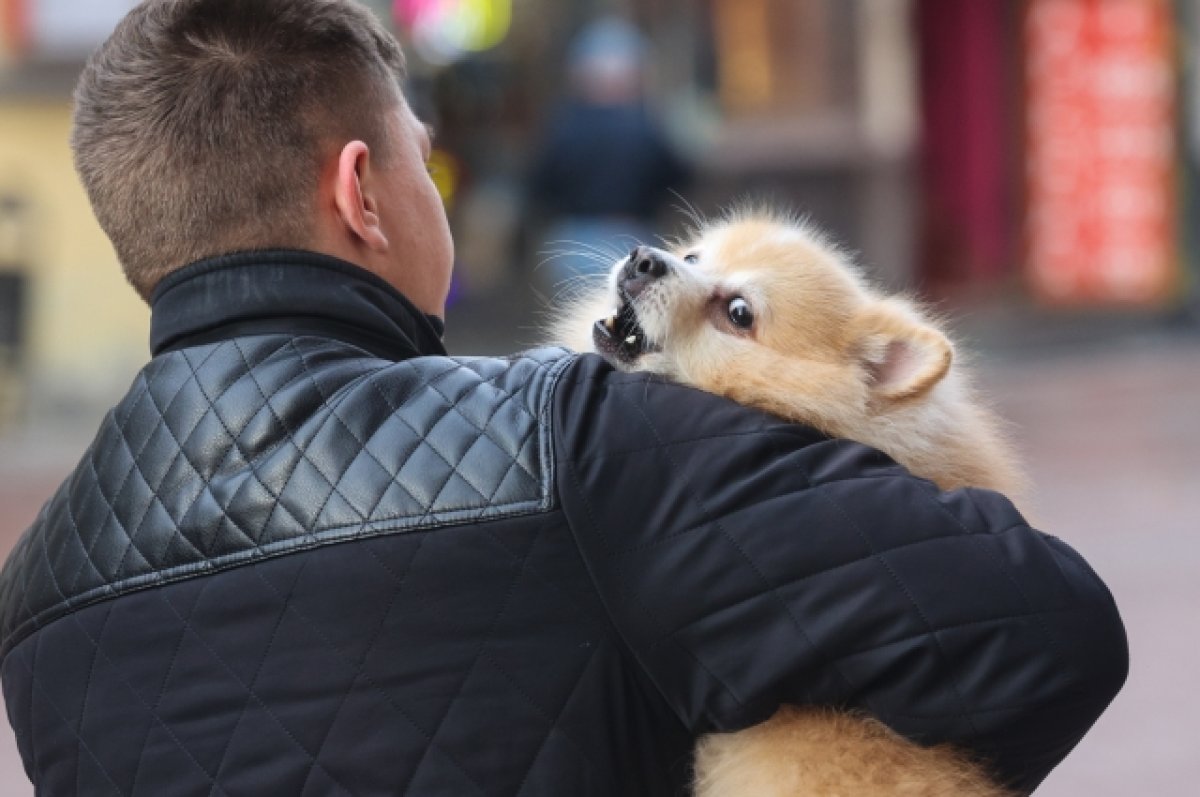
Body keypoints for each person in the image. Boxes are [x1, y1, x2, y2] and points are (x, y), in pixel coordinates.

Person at [0, 1, 1124, 795]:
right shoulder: (583, 437)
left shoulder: (38, 592)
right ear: (361, 195)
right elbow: (1047, 624)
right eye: (418, 159)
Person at [529, 17, 689, 292]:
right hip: (633, 240)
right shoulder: (644, 126)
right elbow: (677, 177)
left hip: (571, 245)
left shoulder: (564, 127)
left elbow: (540, 183)